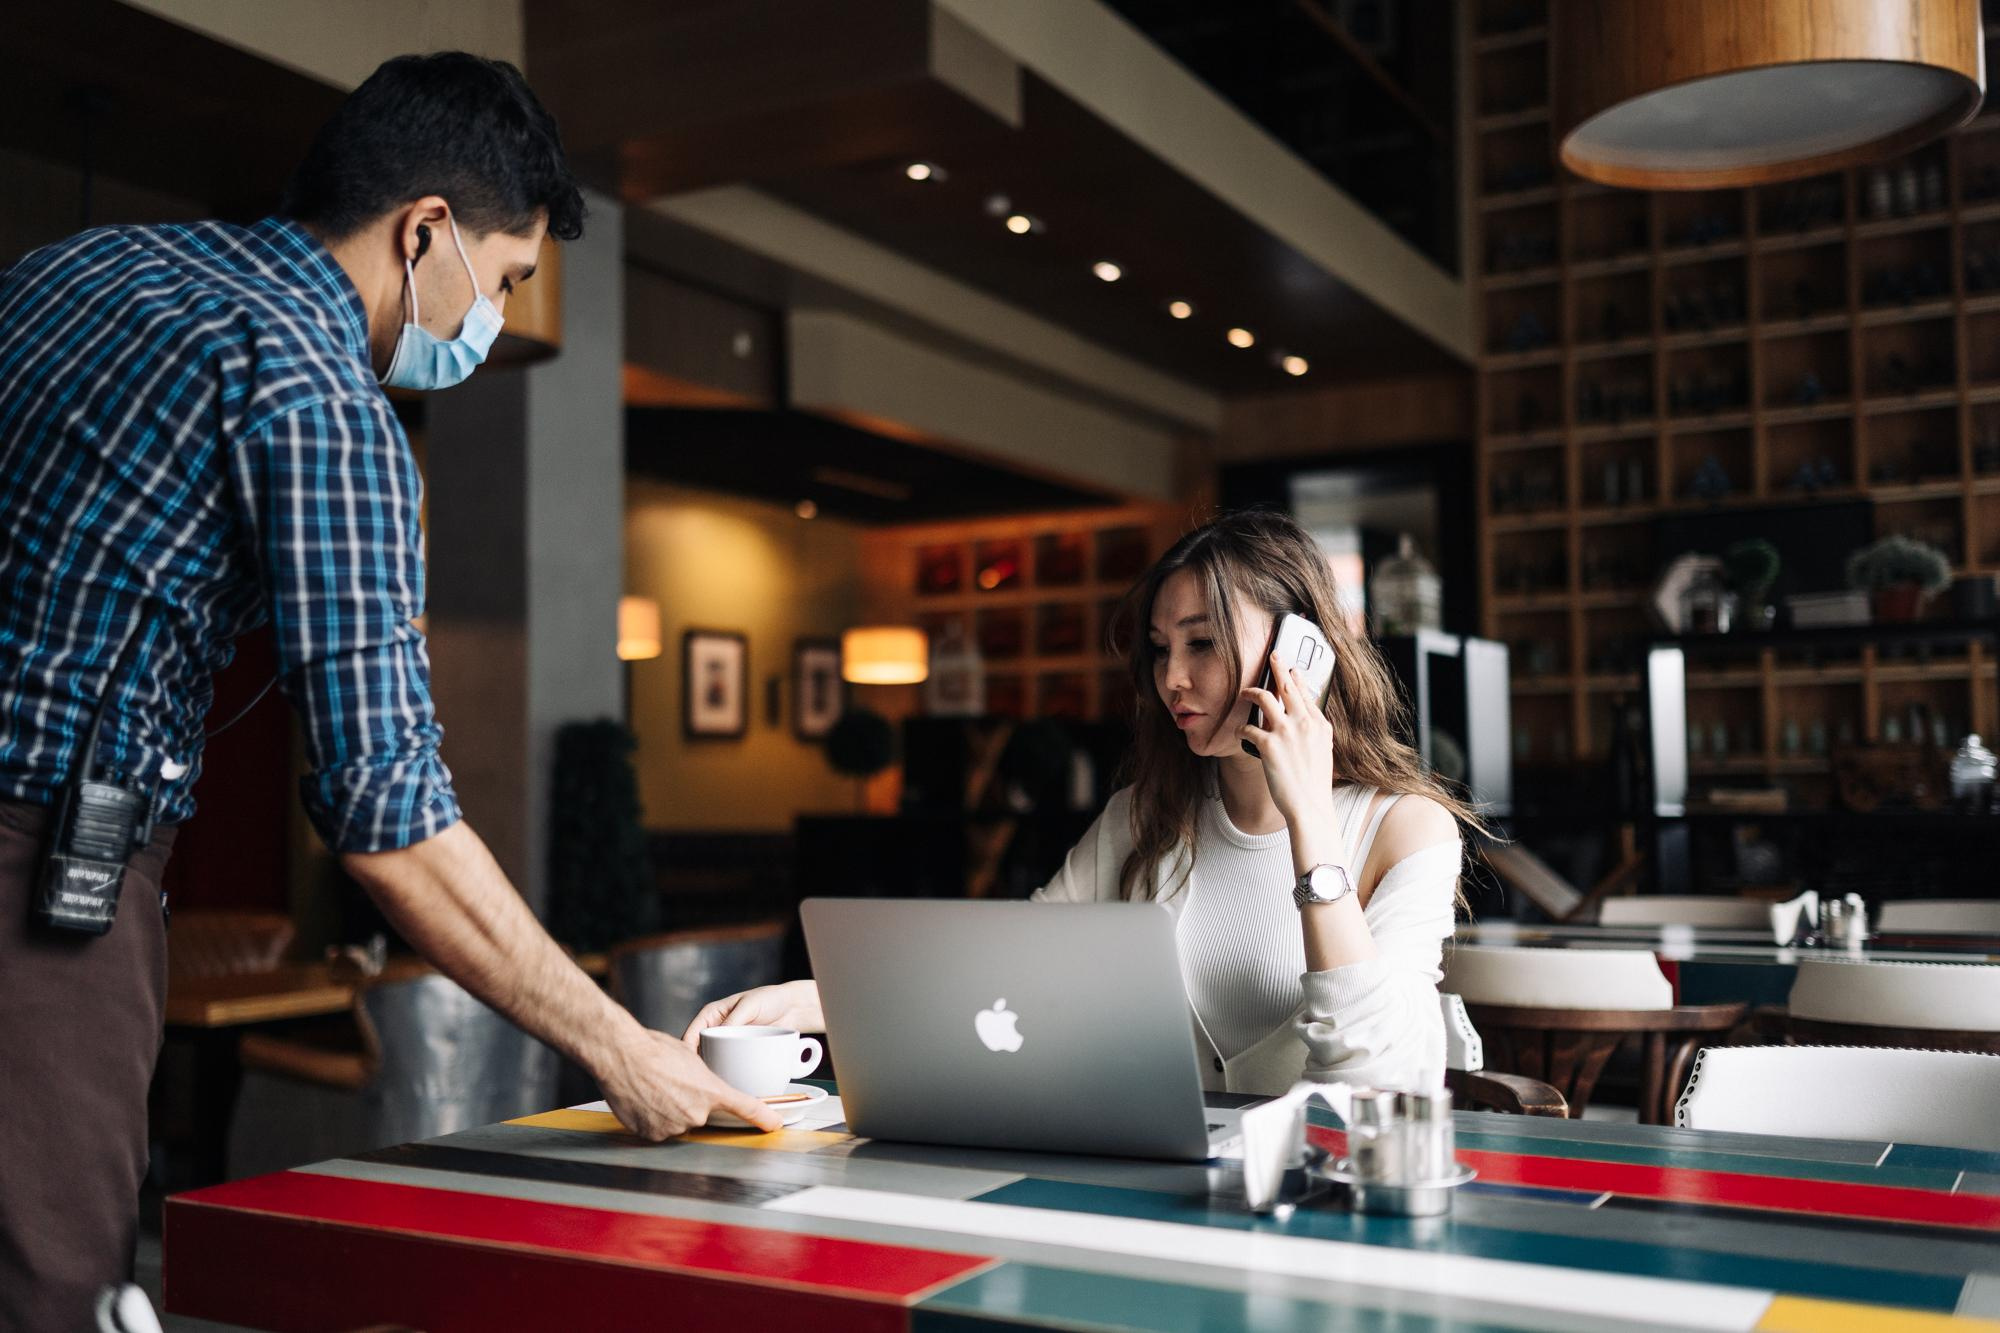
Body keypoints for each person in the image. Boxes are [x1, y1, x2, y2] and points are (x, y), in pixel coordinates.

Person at [0, 52, 776, 1331]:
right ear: (424, 232)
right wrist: (619, 1046)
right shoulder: (319, 394)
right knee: (51, 1293)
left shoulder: (73, 271)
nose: (498, 320)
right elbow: (388, 817)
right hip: (43, 884)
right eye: (508, 279)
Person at [686, 510, 1479, 1095]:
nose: (1171, 678)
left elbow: (1380, 1071)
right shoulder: (1146, 816)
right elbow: (1009, 965)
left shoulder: (1405, 828)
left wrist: (1310, 821)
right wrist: (809, 999)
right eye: (1162, 648)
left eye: (1202, 643)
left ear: (1299, 650)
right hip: (1166, 1207)